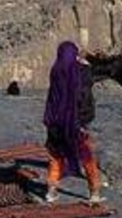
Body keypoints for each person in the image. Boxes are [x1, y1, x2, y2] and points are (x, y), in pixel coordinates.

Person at [43, 41, 103, 204]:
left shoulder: (55, 70)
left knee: (56, 156)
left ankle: (51, 191)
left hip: (56, 122)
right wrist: (87, 59)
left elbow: (53, 97)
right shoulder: (81, 73)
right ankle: (94, 192)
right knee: (87, 156)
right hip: (76, 124)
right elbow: (88, 84)